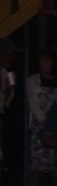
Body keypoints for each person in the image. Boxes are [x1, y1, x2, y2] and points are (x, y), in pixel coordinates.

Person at [25, 47, 57, 186]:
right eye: (41, 60)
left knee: (56, 169)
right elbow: (34, 104)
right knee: (36, 170)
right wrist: (44, 123)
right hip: (39, 129)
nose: (43, 63)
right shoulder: (33, 80)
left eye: (47, 60)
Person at [0, 38, 19, 169]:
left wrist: (10, 87)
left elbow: (7, 101)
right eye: (8, 54)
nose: (12, 58)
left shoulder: (6, 72)